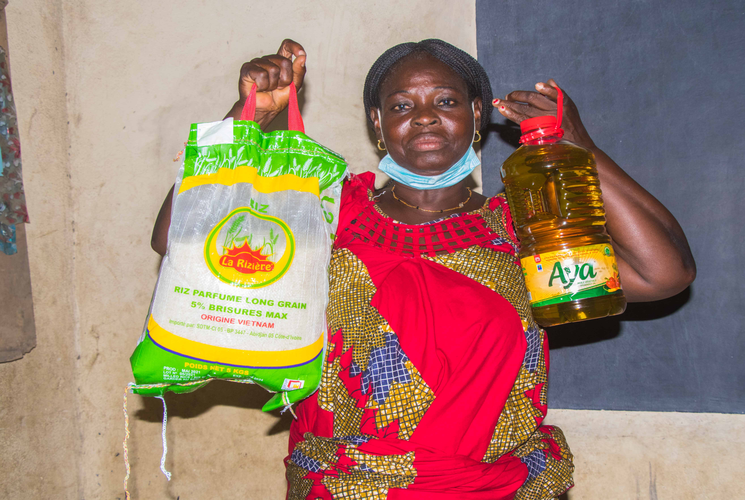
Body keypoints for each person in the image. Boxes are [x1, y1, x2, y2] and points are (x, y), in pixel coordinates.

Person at [152, 39, 695, 499]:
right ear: (378, 123)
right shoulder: (323, 210)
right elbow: (181, 241)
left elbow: (662, 272)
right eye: (402, 105)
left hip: (496, 486)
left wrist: (578, 146)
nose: (425, 115)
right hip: (342, 485)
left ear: (478, 115)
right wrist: (246, 121)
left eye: (445, 100)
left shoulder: (524, 228)